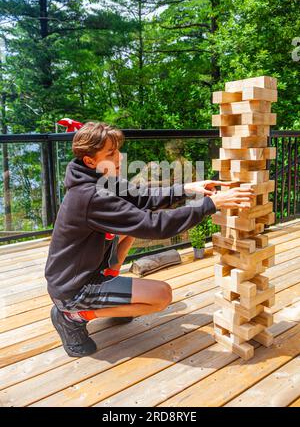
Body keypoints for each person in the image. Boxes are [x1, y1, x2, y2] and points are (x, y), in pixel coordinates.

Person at [45, 122, 254, 357]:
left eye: (118, 151)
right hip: (73, 289)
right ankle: (73, 315)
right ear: (90, 161)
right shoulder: (91, 196)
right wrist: (211, 204)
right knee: (161, 295)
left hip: (85, 271)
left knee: (129, 228)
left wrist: (187, 188)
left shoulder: (99, 179)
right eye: (110, 153)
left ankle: (109, 287)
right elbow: (155, 226)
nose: (119, 158)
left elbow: (142, 197)